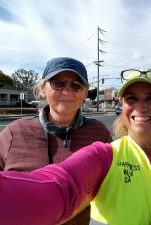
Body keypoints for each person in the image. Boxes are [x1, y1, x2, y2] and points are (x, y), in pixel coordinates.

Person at [0, 69, 151, 225]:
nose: (140, 108)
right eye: (131, 99)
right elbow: (59, 188)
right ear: (122, 106)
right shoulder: (104, 154)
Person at [0, 57, 112, 225]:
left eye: (76, 85)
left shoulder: (99, 134)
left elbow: (111, 187)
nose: (66, 92)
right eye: (58, 84)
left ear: (85, 92)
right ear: (43, 89)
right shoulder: (14, 133)